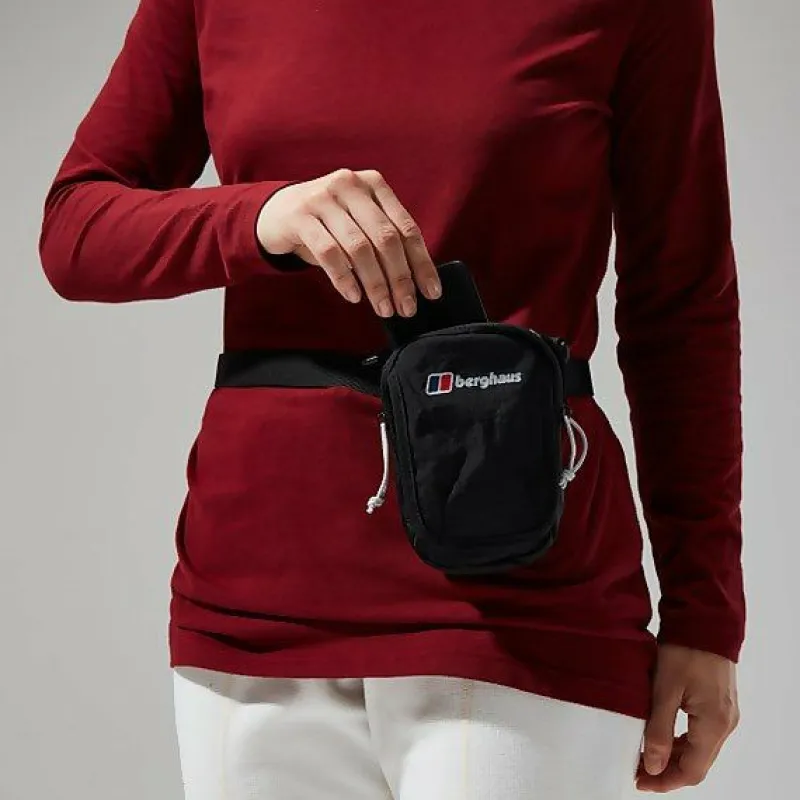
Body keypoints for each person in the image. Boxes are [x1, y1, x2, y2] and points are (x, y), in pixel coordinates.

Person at [39, 0, 744, 797]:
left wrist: (705, 613)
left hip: (521, 599)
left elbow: (682, 308)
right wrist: (263, 217)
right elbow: (75, 230)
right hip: (252, 595)